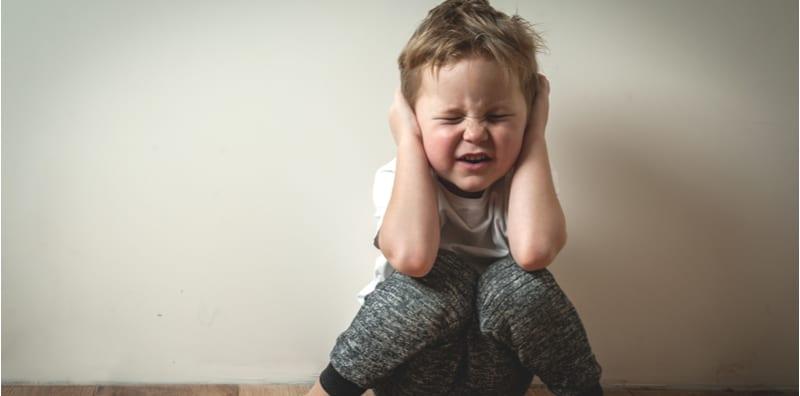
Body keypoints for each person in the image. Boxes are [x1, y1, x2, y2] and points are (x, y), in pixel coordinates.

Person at [305, 0, 603, 394]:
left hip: (493, 376)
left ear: (528, 116)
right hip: (412, 374)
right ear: (413, 117)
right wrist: (408, 142)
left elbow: (534, 252)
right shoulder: (398, 176)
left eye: (497, 117)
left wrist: (535, 135)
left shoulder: (528, 181)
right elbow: (412, 258)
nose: (475, 133)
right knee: (431, 280)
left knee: (519, 283)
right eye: (450, 118)